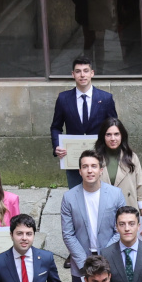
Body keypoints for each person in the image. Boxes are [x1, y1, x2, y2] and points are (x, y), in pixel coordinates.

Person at [61, 149, 128, 282]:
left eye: (94, 166)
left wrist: (105, 257)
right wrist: (85, 264)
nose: (89, 170)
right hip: (81, 261)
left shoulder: (115, 194)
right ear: (79, 171)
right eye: (85, 167)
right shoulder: (69, 198)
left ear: (101, 170)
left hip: (110, 259)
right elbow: (68, 234)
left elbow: (121, 229)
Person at [50, 55, 119, 188]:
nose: (82, 75)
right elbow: (55, 127)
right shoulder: (63, 99)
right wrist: (57, 146)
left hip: (100, 156)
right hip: (73, 158)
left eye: (86, 71)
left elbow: (114, 128)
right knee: (76, 194)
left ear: (92, 73)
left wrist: (112, 148)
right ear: (73, 74)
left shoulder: (105, 98)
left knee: (101, 194)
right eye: (78, 71)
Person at [98, 118, 142, 234]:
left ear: (122, 136)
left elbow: (140, 188)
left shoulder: (132, 157)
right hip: (104, 212)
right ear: (103, 136)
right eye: (108, 135)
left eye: (116, 134)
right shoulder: (96, 158)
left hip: (129, 210)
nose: (113, 139)